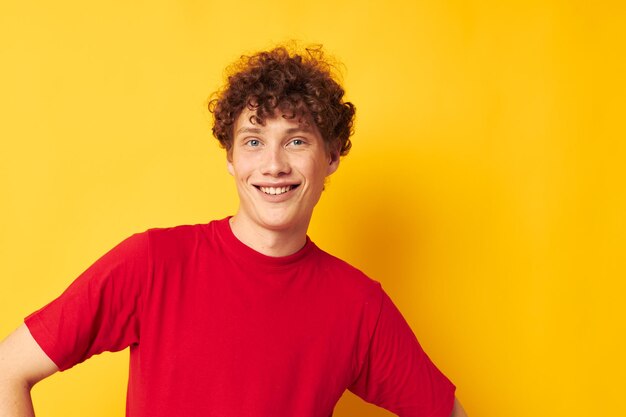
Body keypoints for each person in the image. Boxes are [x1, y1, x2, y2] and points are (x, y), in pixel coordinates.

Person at [0, 46, 468, 417]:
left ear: (331, 158)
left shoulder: (359, 306)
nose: (273, 164)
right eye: (253, 141)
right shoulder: (153, 263)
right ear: (230, 158)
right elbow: (7, 370)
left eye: (297, 140)